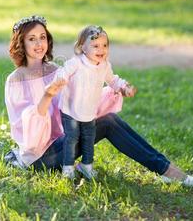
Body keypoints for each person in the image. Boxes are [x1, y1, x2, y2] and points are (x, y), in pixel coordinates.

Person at [4, 15, 193, 187]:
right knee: (108, 122)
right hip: (40, 158)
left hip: (65, 145)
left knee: (108, 119)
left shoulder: (55, 69)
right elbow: (28, 135)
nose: (39, 44)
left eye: (42, 37)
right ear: (21, 43)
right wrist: (47, 95)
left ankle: (166, 169)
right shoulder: (16, 79)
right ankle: (167, 171)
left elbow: (78, 103)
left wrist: (116, 89)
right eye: (32, 39)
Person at [54, 25, 136, 179]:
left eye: (105, 45)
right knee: (72, 138)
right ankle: (68, 167)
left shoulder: (104, 66)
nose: (101, 49)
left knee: (88, 138)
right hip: (70, 110)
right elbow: (63, 72)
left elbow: (112, 80)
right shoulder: (76, 63)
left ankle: (86, 165)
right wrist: (61, 79)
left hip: (89, 111)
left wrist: (123, 88)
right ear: (82, 48)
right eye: (95, 46)